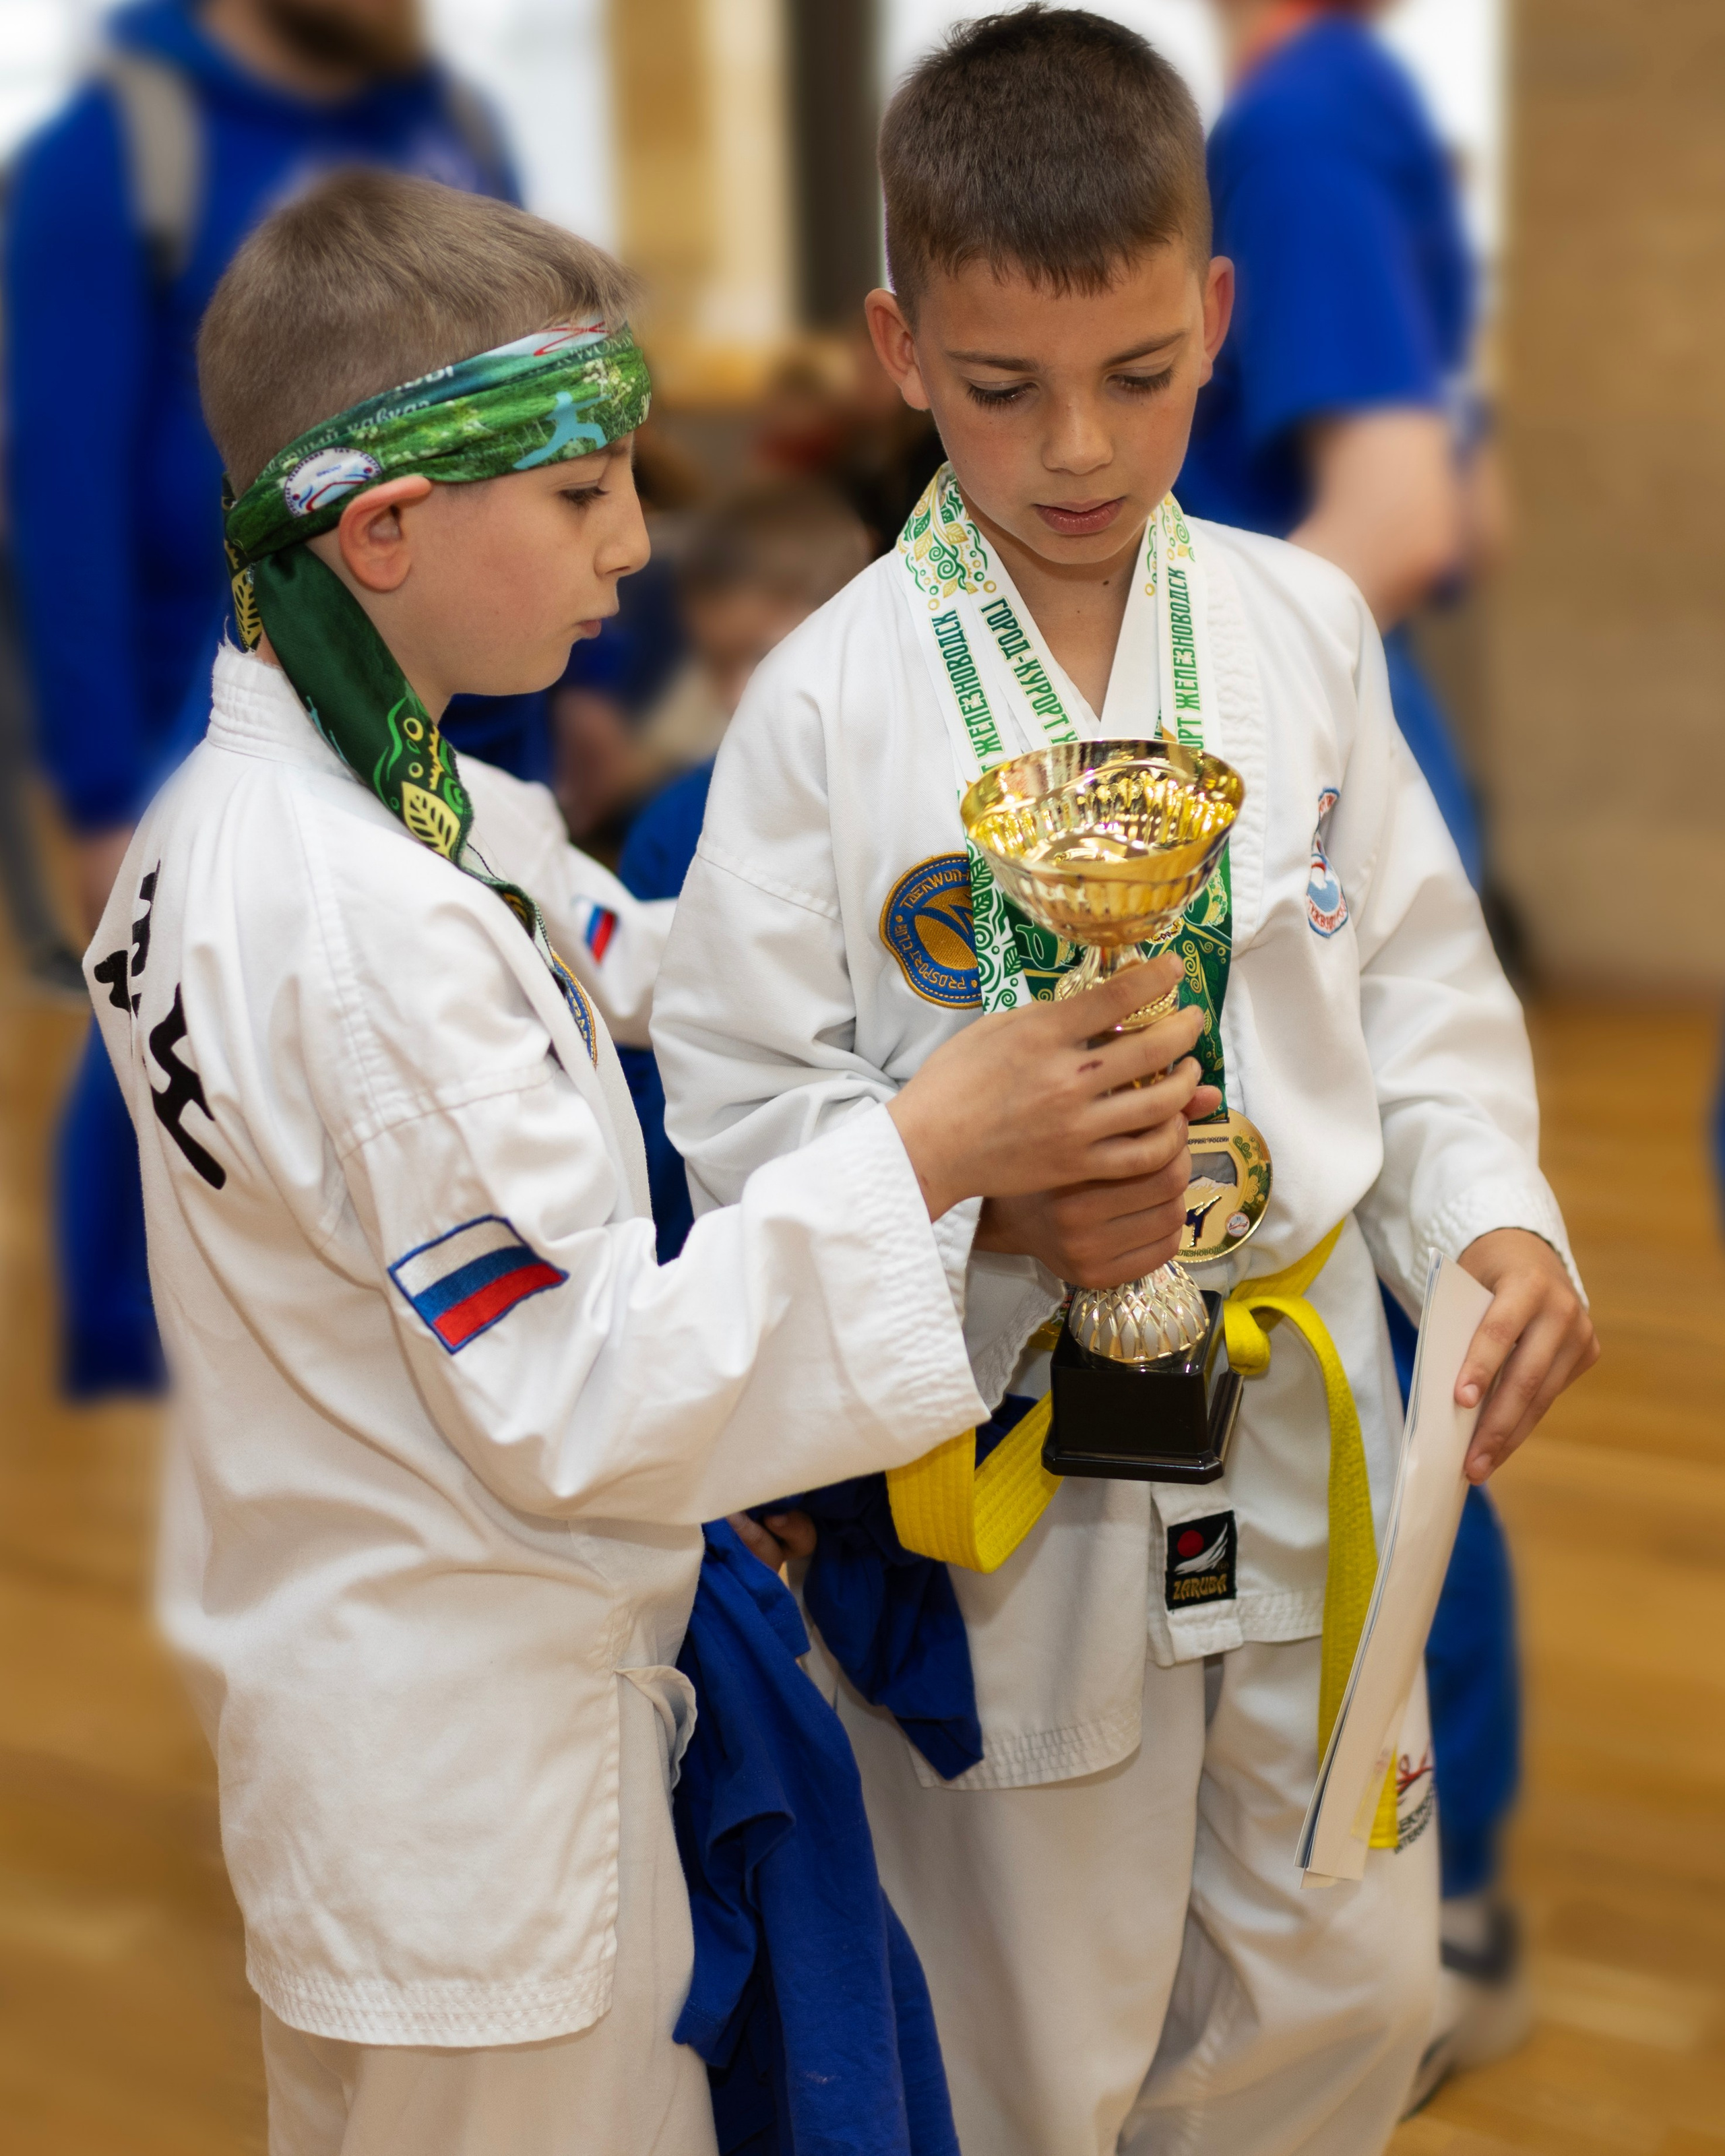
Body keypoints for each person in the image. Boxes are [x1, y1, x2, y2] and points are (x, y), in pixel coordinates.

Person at [89, 168, 1212, 2154]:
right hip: (478, 1791)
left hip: (366, 1696)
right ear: (387, 528)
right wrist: (931, 1144)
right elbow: (582, 1391)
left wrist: (944, 936)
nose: (634, 539)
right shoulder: (363, 926)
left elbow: (615, 952)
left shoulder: (358, 805)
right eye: (583, 492)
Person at [649, 12, 1598, 2154]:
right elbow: (738, 1113)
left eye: (1141, 373)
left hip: (1302, 1411)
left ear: (1218, 320)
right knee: (1022, 2028)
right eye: (1000, 388)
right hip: (1009, 1477)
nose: (1076, 445)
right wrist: (984, 1214)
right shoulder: (818, 713)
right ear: (897, 347)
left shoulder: (1303, 631)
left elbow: (1422, 996)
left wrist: (1494, 1220)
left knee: (1339, 1984)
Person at [4, 0, 527, 1396]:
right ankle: (142, 1392)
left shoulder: (458, 130)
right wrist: (100, 788)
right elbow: (60, 501)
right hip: (211, 703)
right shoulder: (116, 154)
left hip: (446, 690)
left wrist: (548, 716)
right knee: (172, 1089)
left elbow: (542, 441)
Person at [1177, 0, 1525, 2097]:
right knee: (1385, 1351)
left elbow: (1392, 509)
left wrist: (1158, 743)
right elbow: (1449, 492)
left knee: (1387, 1362)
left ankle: (1435, 1883)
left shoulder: (1298, 125)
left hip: (1298, 830)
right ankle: (1423, 1865)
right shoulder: (1356, 111)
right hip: (1344, 800)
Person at [615, 482, 873, 1260]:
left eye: (762, 656)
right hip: (724, 1242)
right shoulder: (671, 831)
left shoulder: (939, 799)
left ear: (854, 628)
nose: (737, 694)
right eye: (716, 661)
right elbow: (648, 1076)